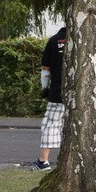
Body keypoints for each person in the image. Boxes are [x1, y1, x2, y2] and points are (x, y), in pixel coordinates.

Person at [33, 26, 67, 170]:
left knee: (51, 124)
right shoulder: (83, 39)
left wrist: (44, 88)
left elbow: (46, 69)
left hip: (57, 92)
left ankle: (43, 161)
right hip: (80, 94)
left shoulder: (53, 41)